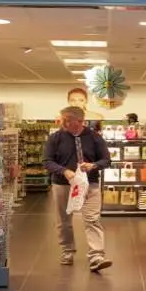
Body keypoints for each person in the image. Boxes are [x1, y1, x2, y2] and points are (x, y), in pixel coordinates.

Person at [44, 106, 113, 272]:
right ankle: (67, 250)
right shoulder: (55, 138)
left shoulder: (95, 137)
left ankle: (96, 256)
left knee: (92, 219)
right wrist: (64, 171)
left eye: (68, 120)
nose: (63, 123)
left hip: (90, 184)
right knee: (63, 220)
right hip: (62, 184)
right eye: (63, 119)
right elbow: (47, 161)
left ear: (80, 121)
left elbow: (106, 160)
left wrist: (93, 165)